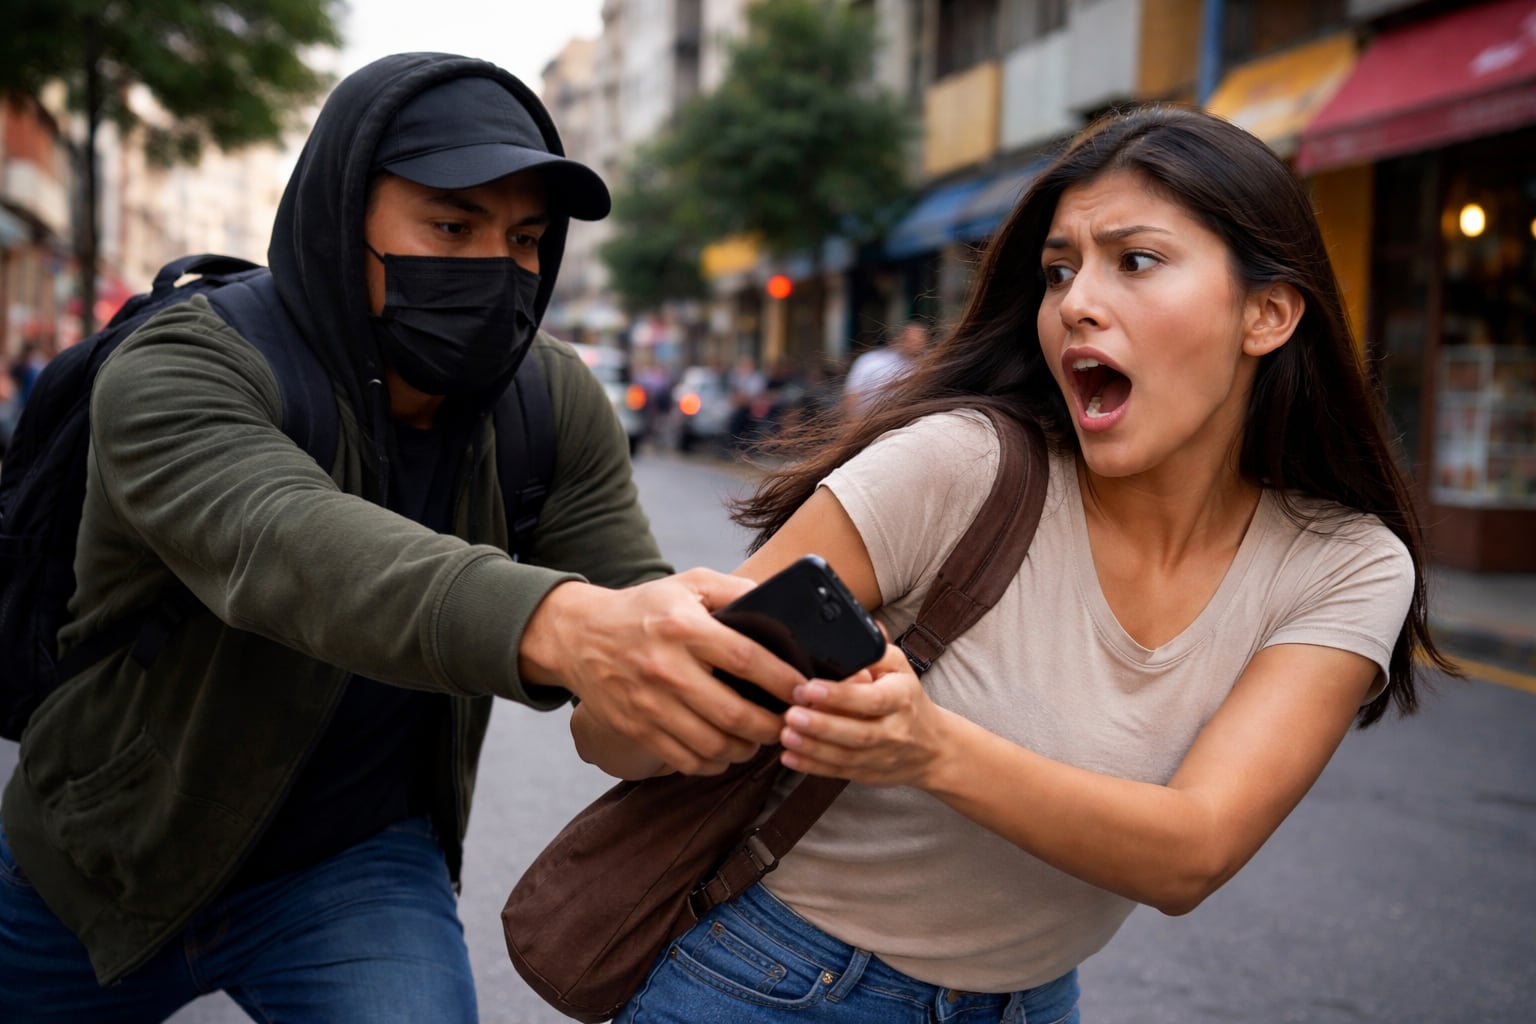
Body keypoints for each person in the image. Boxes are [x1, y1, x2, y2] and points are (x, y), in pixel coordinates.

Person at [573, 105, 1456, 1023]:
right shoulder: (958, 464)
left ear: (1266, 314)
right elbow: (613, 735)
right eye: (1059, 271)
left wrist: (926, 748)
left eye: (1136, 260)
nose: (1075, 303)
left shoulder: (1346, 566)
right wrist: (665, 678)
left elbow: (1192, 854)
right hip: (766, 983)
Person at [0, 53, 801, 1023]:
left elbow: (633, 607)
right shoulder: (183, 364)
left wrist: (702, 674)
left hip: (353, 867)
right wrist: (561, 624)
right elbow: (286, 544)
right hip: (96, 855)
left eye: (526, 239)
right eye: (452, 227)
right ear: (343, 219)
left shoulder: (551, 400)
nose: (498, 267)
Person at [840, 317, 929, 414]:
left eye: (919, 340)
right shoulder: (872, 361)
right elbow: (852, 394)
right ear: (901, 339)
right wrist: (854, 419)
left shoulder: (926, 366)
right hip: (868, 417)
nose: (916, 344)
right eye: (911, 340)